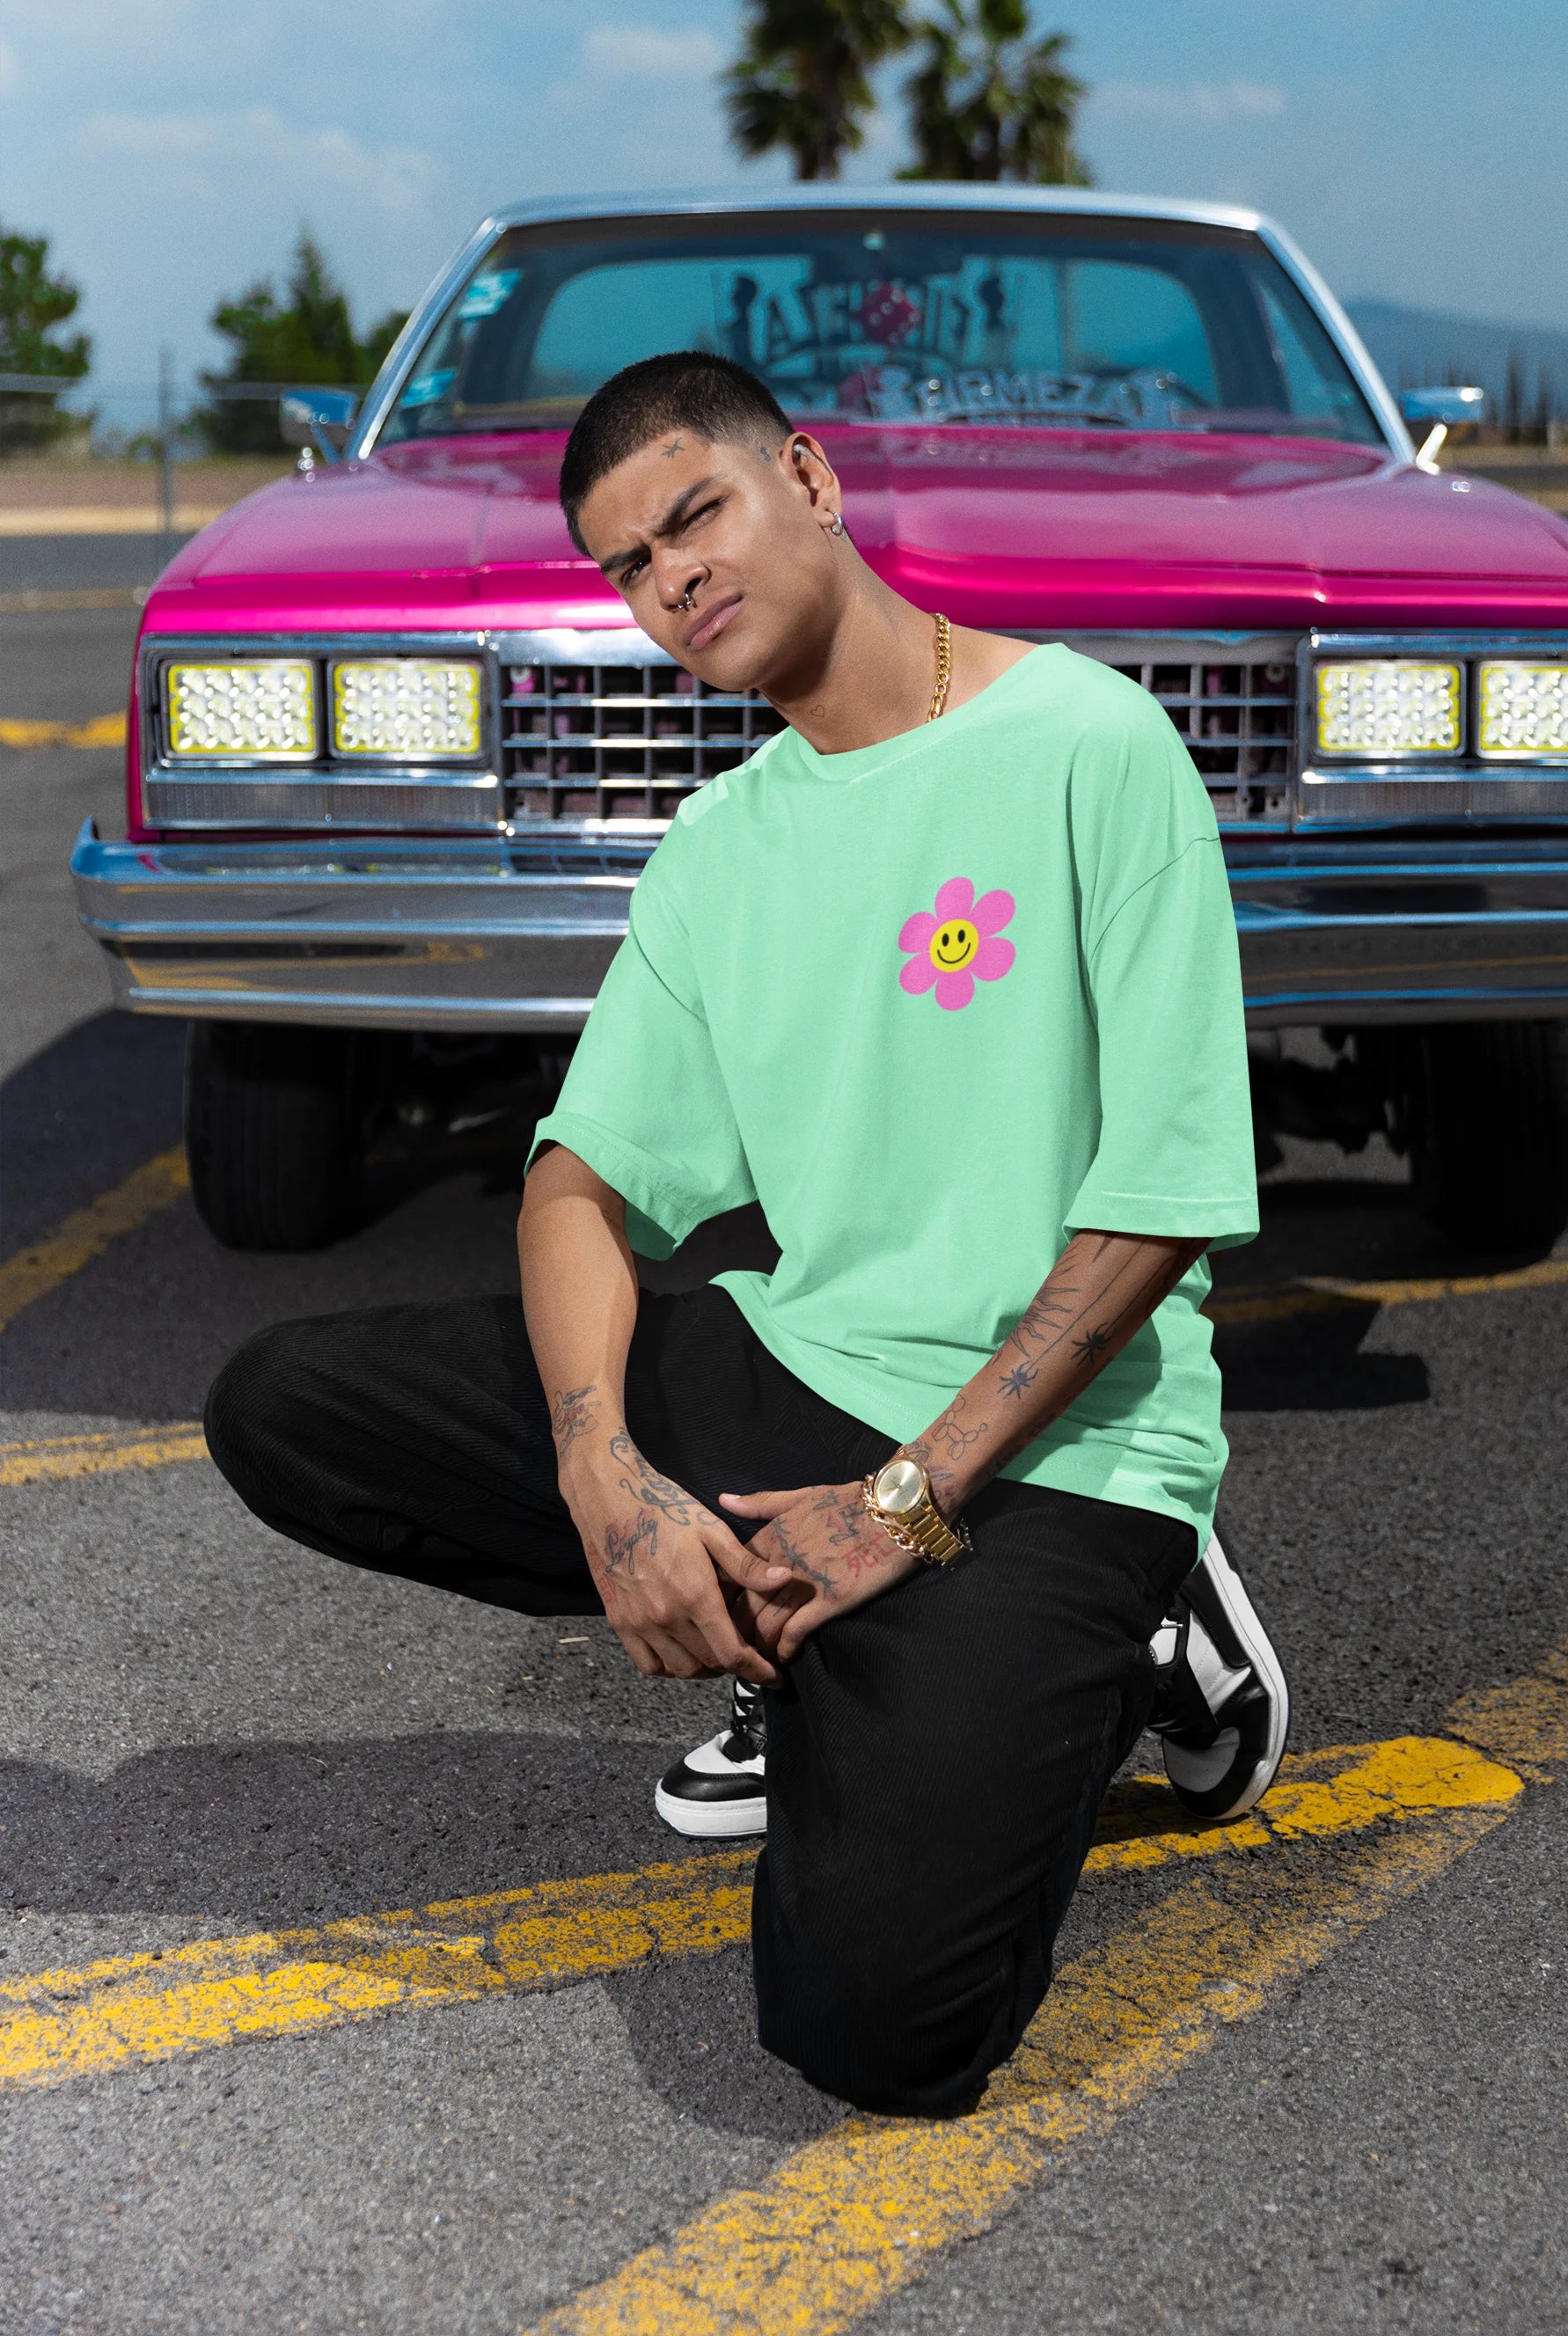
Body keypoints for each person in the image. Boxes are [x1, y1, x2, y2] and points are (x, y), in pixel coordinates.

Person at [205, 351, 1287, 2119]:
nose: (673, 581)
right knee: (282, 1404)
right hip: (800, 1371)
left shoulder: (1091, 745)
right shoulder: (720, 846)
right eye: (628, 565)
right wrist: (605, 1484)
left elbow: (1162, 1199)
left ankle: (1135, 1644)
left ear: (809, 479)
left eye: (694, 513)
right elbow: (576, 1184)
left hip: (1057, 1457)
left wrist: (908, 1505)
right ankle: (809, 1646)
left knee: (881, 2038)